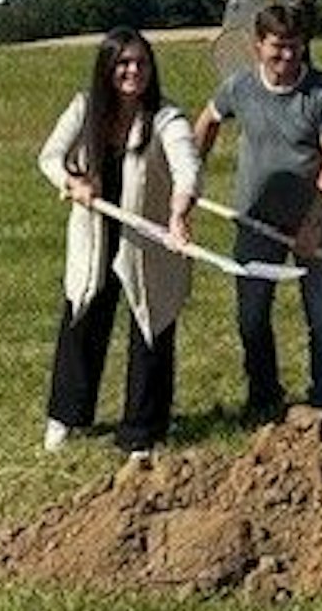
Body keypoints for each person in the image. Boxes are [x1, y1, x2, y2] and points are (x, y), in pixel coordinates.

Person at [37, 26, 201, 459]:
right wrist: (73, 182)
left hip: (147, 240)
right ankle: (66, 416)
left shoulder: (167, 118)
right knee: (82, 319)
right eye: (123, 63)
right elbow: (50, 156)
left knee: (151, 327)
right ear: (107, 68)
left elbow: (188, 169)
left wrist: (179, 213)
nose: (132, 71)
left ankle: (141, 431)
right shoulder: (84, 109)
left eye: (141, 63)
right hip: (95, 237)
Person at [194, 4, 322, 416]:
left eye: (296, 49)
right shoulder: (239, 87)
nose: (287, 58)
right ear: (257, 46)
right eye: (278, 49)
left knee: (319, 313)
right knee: (251, 315)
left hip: (317, 221)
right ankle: (264, 396)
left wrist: (313, 226)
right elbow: (208, 121)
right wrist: (191, 175)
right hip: (256, 221)